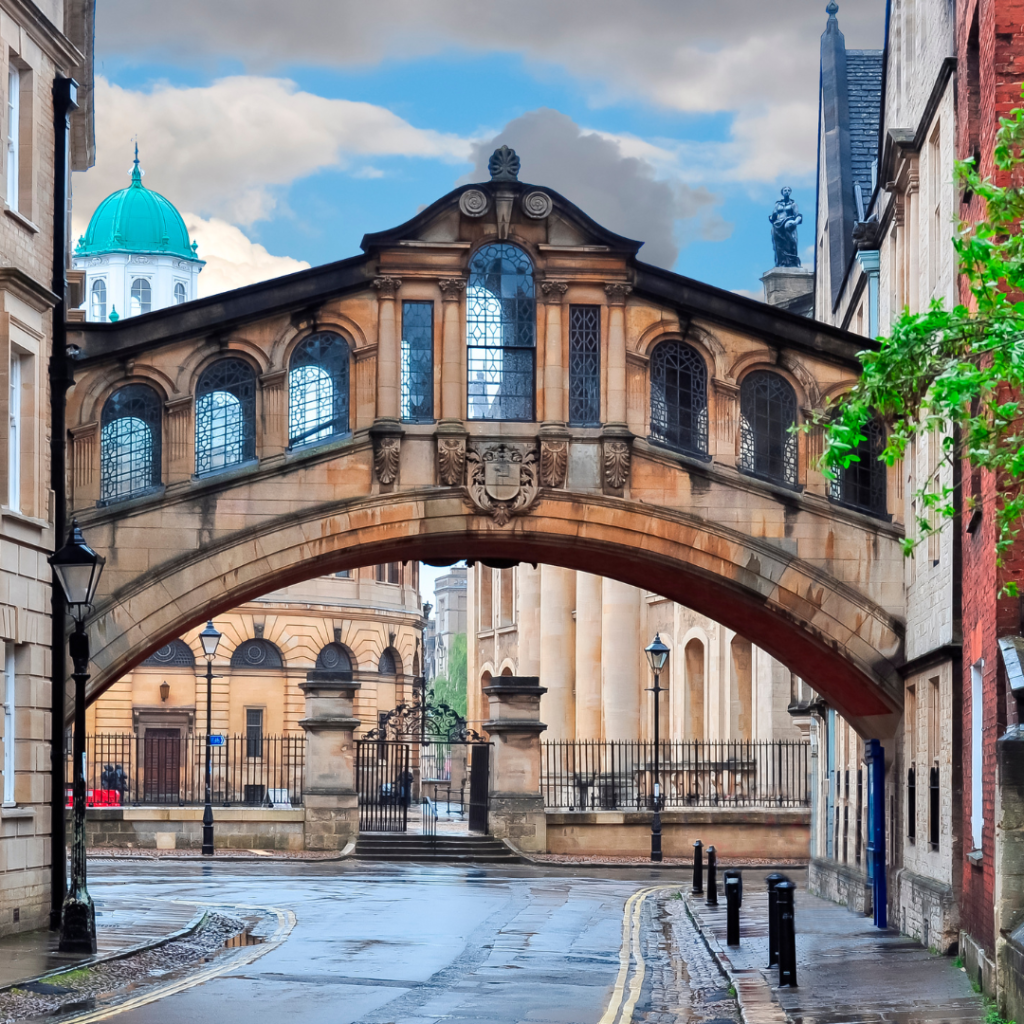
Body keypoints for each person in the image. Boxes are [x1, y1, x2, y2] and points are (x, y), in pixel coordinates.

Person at [769, 187, 803, 268]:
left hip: (789, 225)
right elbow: (772, 217)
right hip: (777, 226)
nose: (787, 192)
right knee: (779, 246)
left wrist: (795, 222)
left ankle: (793, 262)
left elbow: (798, 216)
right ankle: (781, 263)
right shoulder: (778, 204)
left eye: (788, 190)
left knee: (791, 244)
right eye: (785, 190)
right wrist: (772, 216)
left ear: (790, 192)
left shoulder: (793, 204)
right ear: (782, 193)